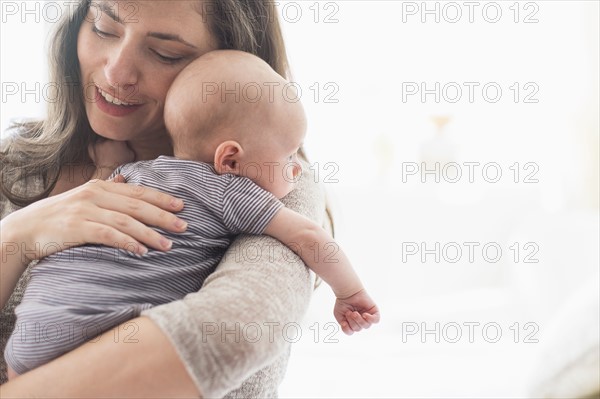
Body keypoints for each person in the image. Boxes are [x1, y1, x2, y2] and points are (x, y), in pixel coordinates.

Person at [0, 1, 370, 397]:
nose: (116, 72)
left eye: (165, 53)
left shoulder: (277, 184)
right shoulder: (16, 164)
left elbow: (232, 334)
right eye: (104, 28)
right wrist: (18, 233)